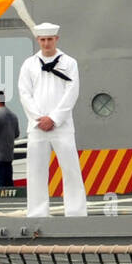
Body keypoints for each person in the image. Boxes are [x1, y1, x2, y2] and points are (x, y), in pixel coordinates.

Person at [19, 23, 85, 217]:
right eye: (42, 39)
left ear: (56, 39)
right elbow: (24, 93)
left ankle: (76, 211)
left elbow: (72, 92)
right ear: (38, 40)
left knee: (71, 168)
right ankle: (37, 212)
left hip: (62, 126)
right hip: (38, 126)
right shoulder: (29, 65)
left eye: (50, 39)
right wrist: (39, 118)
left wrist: (54, 118)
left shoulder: (69, 63)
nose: (46, 43)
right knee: (36, 170)